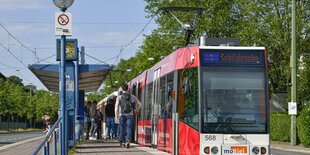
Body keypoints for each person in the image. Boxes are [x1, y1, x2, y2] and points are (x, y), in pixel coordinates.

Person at [115, 83, 142, 148]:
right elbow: (139, 104)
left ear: (122, 89)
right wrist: (137, 110)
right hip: (130, 115)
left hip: (122, 115)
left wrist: (116, 114)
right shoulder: (132, 96)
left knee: (122, 128)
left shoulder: (119, 97)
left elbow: (116, 106)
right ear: (128, 88)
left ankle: (122, 142)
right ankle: (128, 140)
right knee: (129, 128)